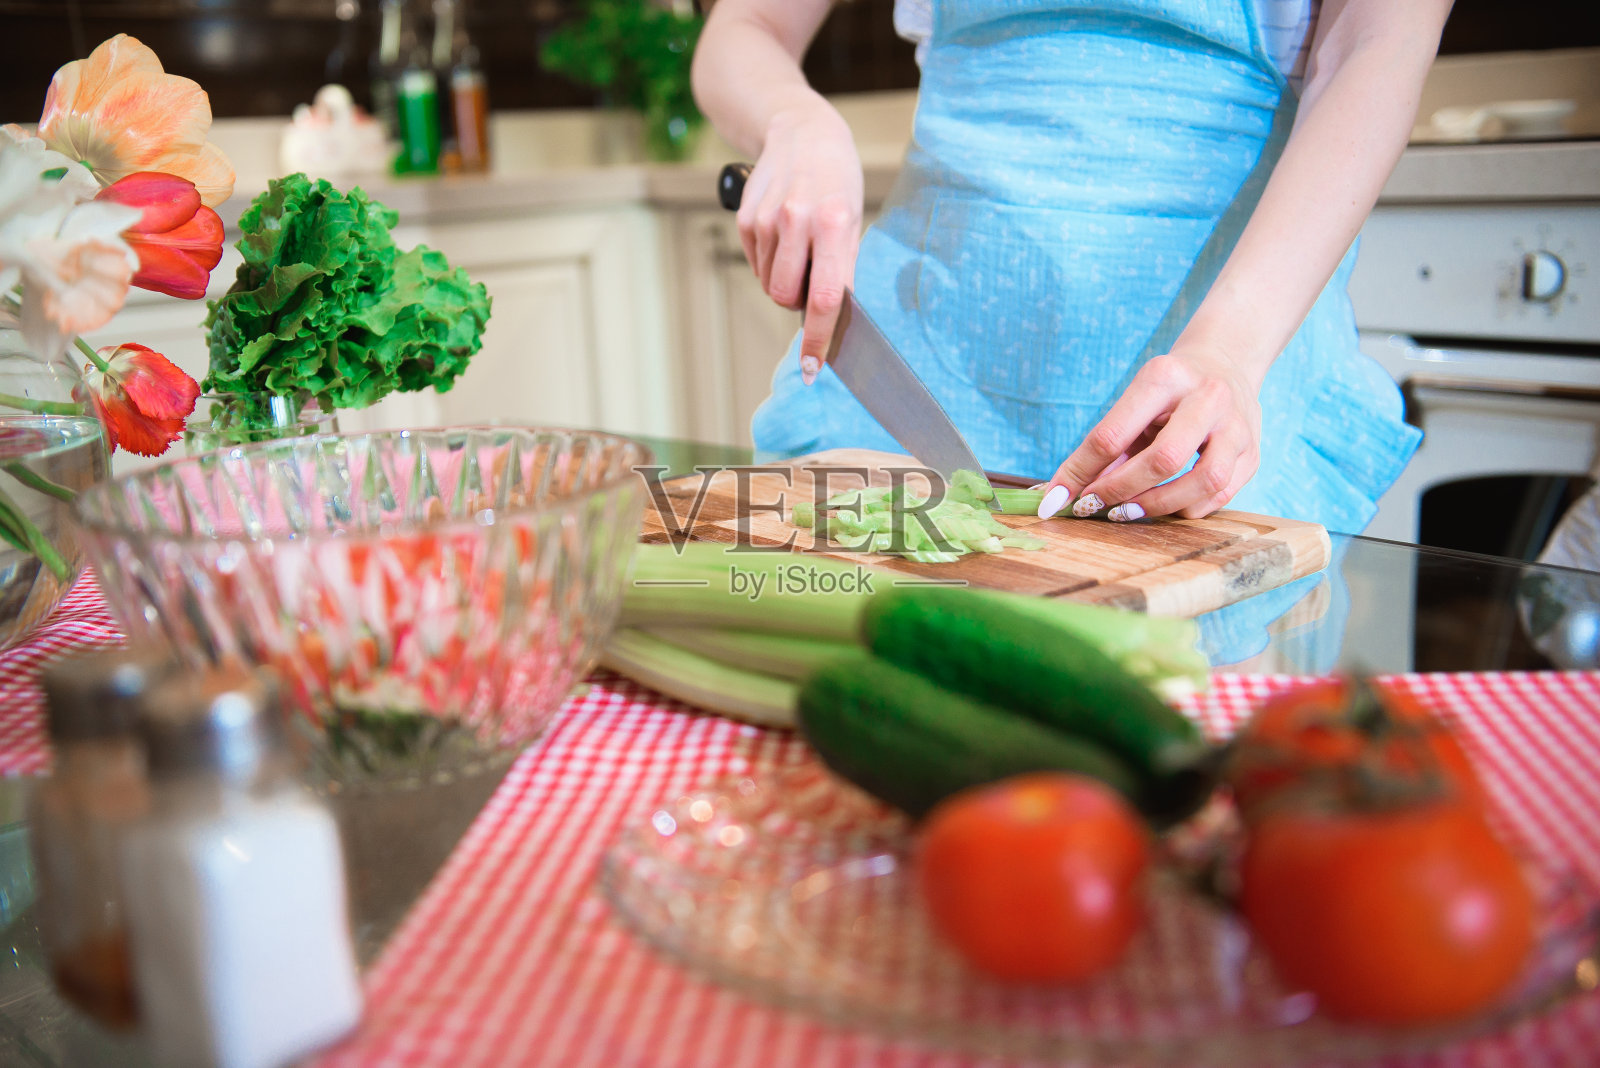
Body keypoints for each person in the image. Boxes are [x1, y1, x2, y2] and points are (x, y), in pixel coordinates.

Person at [691, 0, 1453, 534]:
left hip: (1202, 418)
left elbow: (1377, 46)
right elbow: (744, 26)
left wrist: (1229, 349)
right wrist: (793, 118)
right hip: (913, 381)